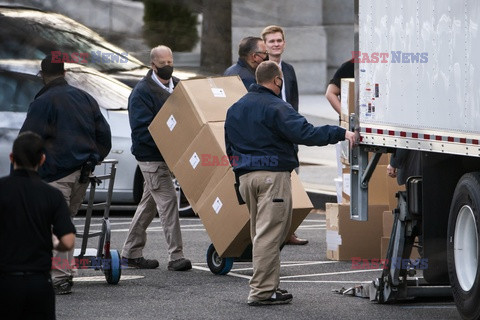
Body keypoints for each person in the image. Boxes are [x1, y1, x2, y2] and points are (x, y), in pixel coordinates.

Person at [225, 61, 356, 306]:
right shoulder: (277, 106)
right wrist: (340, 133)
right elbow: (305, 133)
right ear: (277, 80)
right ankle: (262, 292)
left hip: (245, 177)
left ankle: (269, 287)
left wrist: (239, 177)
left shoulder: (235, 108)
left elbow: (229, 147)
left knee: (260, 234)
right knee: (270, 235)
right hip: (271, 177)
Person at [19, 54, 112, 294]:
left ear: (42, 75)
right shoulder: (85, 98)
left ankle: (60, 276)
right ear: (64, 73)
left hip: (53, 174)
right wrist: (93, 159)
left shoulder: (43, 103)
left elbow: (28, 142)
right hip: (81, 173)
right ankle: (64, 271)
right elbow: (104, 136)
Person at [121, 45, 192, 272]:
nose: (168, 67)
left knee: (148, 205)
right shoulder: (142, 92)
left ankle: (130, 253)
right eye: (163, 64)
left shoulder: (178, 85)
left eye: (170, 62)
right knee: (169, 201)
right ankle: (176, 256)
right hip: (151, 157)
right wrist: (169, 143)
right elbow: (141, 131)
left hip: (170, 155)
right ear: (153, 65)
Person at [0, 132, 76, 319]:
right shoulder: (52, 195)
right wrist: (54, 243)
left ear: (12, 157)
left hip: (5, 281)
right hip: (39, 282)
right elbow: (68, 240)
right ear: (42, 160)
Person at [261, 25, 307, 246]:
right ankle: (273, 233)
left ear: (284, 43)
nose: (276, 44)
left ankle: (290, 231)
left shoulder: (288, 69)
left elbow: (294, 101)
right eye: (271, 41)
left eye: (279, 40)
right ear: (265, 45)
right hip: (270, 136)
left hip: (290, 133)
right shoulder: (260, 70)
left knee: (293, 185)